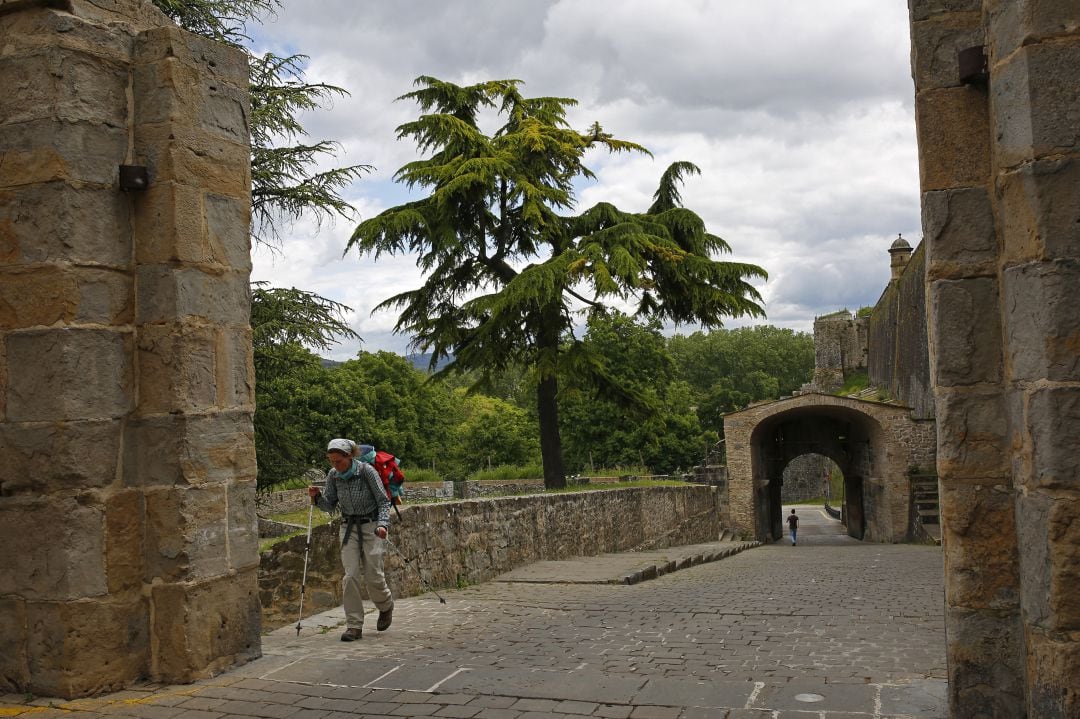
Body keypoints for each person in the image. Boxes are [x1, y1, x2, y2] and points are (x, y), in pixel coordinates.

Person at [308, 438, 394, 641]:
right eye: (332, 462)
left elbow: (383, 501)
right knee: (350, 576)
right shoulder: (333, 476)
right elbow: (330, 506)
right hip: (348, 528)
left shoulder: (366, 472)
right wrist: (317, 497)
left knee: (374, 576)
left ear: (349, 456)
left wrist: (383, 524)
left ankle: (385, 605)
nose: (335, 466)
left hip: (372, 526)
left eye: (338, 461)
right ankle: (354, 626)